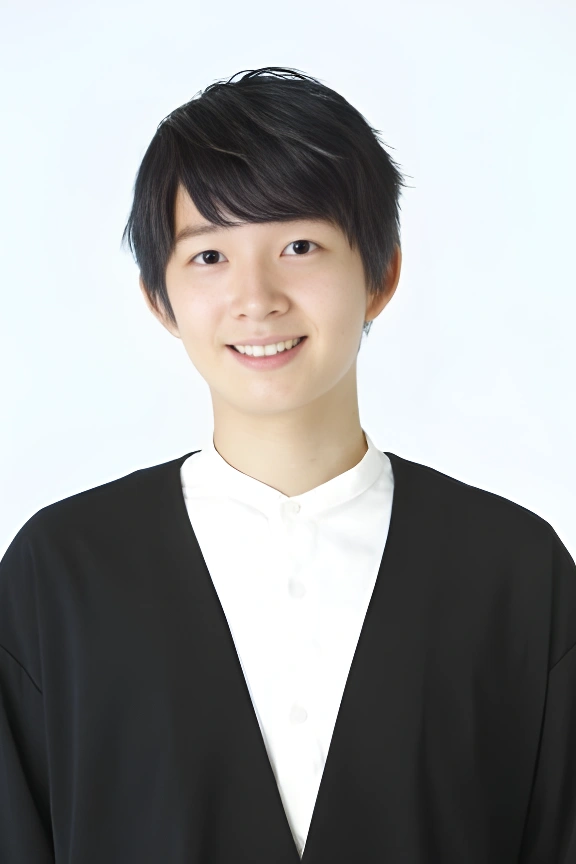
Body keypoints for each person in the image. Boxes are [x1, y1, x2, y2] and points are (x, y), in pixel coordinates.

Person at [1, 66, 574, 864]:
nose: (257, 297)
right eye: (209, 256)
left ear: (381, 274)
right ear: (159, 298)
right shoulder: (61, 572)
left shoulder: (515, 571)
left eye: (299, 246)